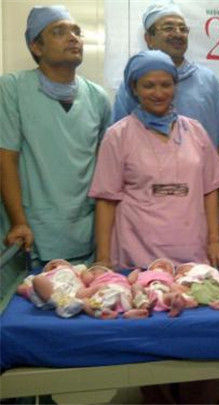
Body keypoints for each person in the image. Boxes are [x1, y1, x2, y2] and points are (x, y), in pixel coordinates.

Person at [89, 50, 219, 269]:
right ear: (134, 88)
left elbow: (210, 190)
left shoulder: (195, 131)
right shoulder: (117, 136)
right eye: (149, 86)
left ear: (175, 87)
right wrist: (104, 257)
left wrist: (214, 240)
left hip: (191, 254)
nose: (158, 93)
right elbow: (106, 200)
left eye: (166, 85)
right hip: (137, 258)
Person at [112, 1, 219, 233]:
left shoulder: (208, 80)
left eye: (182, 28)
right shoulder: (132, 85)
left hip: (202, 202)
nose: (178, 34)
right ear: (149, 38)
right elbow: (116, 154)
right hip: (145, 208)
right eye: (169, 28)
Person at [0, 5, 111, 264]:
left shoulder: (97, 97)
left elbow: (104, 172)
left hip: (84, 234)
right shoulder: (12, 89)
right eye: (59, 32)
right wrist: (19, 222)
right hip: (31, 235)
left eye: (77, 32)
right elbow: (5, 159)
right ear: (36, 47)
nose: (73, 38)